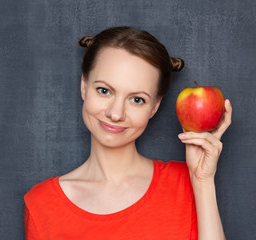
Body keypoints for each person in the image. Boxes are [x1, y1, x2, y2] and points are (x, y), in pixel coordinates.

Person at [24, 26, 232, 240]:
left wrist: (202, 182)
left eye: (137, 99)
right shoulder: (41, 203)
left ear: (154, 106)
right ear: (84, 85)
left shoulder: (186, 183)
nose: (116, 114)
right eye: (104, 91)